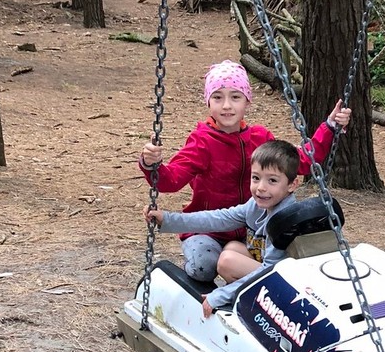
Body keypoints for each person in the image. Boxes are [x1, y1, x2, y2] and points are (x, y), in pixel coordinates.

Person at [138, 60, 350, 283]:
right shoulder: (201, 142)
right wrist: (152, 164)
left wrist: (329, 127)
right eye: (218, 97)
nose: (227, 105)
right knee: (204, 266)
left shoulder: (260, 138)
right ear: (208, 102)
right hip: (208, 228)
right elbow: (170, 181)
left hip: (249, 229)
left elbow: (302, 162)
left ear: (247, 101)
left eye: (235, 97)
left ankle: (250, 292)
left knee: (261, 258)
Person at [147, 139, 315, 316]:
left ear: (292, 185)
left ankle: (256, 304)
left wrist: (220, 295)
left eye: (272, 181)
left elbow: (271, 270)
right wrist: (166, 219)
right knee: (232, 247)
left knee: (228, 260)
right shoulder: (256, 206)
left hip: (286, 283)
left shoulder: (284, 220)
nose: (261, 188)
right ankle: (246, 295)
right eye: (256, 178)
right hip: (268, 270)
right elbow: (216, 218)